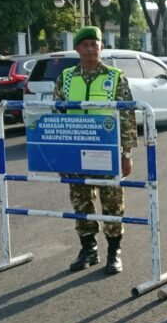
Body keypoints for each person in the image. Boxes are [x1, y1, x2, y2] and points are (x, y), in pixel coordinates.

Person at [54, 26, 137, 275]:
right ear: (77, 48)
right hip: (75, 151)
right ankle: (88, 249)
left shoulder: (115, 76)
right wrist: (60, 156)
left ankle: (114, 252)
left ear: (101, 48)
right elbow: (57, 116)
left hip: (107, 151)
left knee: (112, 202)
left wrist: (127, 153)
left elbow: (127, 116)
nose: (91, 48)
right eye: (86, 44)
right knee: (81, 202)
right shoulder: (66, 77)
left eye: (95, 44)